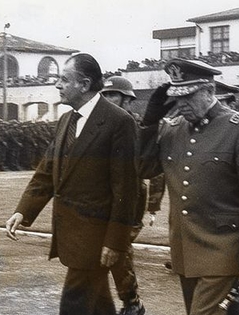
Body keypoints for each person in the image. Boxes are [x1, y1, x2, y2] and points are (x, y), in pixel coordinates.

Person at [5, 53, 139, 315]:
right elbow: (48, 170)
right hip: (73, 235)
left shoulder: (119, 122)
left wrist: (115, 243)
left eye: (64, 80)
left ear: (85, 84)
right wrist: (23, 210)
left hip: (96, 238)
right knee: (98, 306)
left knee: (74, 305)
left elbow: (126, 190)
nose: (57, 85)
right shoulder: (67, 119)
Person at [137, 58, 239, 315]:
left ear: (209, 91)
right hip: (184, 248)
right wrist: (149, 123)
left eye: (188, 96)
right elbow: (144, 169)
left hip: (223, 248)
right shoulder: (172, 129)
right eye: (177, 98)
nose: (181, 105)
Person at [100, 75, 151, 315]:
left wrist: (151, 206)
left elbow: (146, 170)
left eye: (115, 95)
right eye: (106, 95)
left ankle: (132, 302)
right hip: (104, 195)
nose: (109, 99)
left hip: (130, 194)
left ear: (127, 100)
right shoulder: (102, 125)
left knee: (119, 248)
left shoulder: (133, 127)